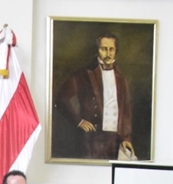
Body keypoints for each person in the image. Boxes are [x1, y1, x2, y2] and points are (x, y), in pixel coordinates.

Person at [56, 32, 134, 160]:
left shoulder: (121, 78)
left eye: (111, 49)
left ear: (116, 51)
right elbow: (61, 98)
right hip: (91, 139)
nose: (108, 53)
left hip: (114, 140)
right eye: (104, 49)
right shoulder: (83, 74)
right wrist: (79, 121)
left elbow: (125, 109)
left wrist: (126, 137)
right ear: (97, 50)